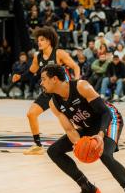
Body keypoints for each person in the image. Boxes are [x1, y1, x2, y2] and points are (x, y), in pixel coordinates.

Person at [41, 64, 125, 193]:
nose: (41, 83)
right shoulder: (53, 103)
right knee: (54, 151)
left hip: (110, 119)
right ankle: (87, 187)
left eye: (43, 79)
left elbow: (105, 113)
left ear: (54, 79)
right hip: (88, 126)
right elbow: (70, 130)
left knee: (104, 154)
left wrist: (100, 135)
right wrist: (78, 144)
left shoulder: (81, 86)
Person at [11, 26, 81, 155]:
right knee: (31, 114)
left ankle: (81, 143)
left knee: (72, 120)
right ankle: (38, 146)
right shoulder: (38, 57)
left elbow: (75, 66)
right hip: (48, 92)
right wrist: (20, 76)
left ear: (49, 41)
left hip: (63, 92)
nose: (39, 42)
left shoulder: (59, 53)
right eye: (38, 40)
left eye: (42, 40)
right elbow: (31, 72)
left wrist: (76, 82)